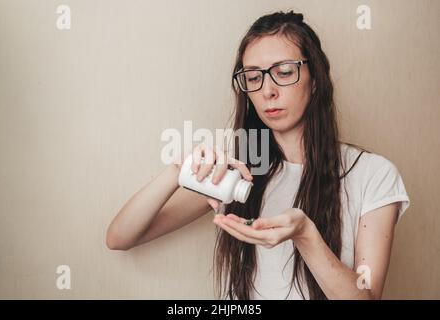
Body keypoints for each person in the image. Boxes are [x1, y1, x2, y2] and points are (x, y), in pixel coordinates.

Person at [106, 10, 410, 300]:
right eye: (253, 78)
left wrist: (305, 235)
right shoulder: (238, 171)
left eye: (284, 72)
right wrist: (178, 171)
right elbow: (120, 237)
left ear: (315, 80)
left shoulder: (373, 174)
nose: (268, 91)